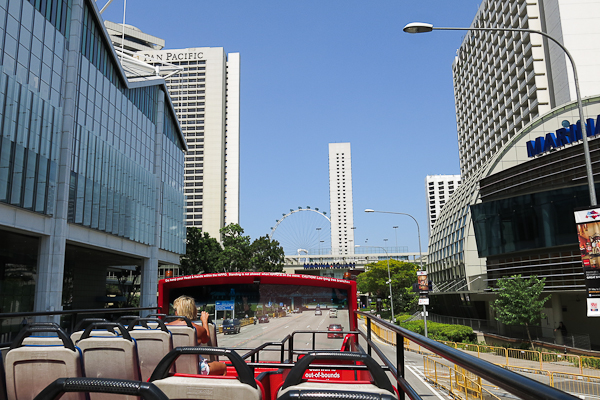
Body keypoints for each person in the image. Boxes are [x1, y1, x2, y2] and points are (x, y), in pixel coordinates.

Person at [167, 295, 226, 376]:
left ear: (177, 311)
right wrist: (204, 321)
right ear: (192, 311)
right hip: (194, 368)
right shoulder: (197, 329)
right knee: (223, 367)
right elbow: (206, 339)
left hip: (170, 367)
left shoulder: (165, 328)